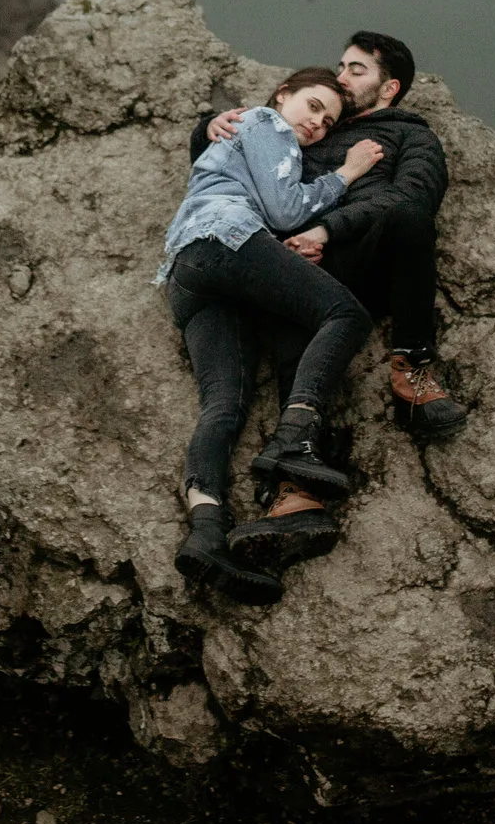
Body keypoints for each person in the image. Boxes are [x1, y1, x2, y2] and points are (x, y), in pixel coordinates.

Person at [193, 31, 463, 573]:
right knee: (301, 335)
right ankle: (294, 497)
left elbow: (412, 199)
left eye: (356, 70)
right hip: (286, 261)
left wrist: (328, 231)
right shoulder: (314, 126)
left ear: (389, 88)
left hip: (363, 252)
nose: (341, 76)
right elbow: (238, 164)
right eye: (341, 65)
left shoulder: (413, 138)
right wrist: (208, 127)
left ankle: (413, 368)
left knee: (407, 225)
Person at [159, 66, 385, 605]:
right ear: (283, 96)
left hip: (189, 275)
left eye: (328, 122)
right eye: (312, 106)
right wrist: (348, 173)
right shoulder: (263, 121)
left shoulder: (244, 133)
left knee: (224, 405)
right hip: (227, 237)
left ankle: (208, 528)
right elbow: (285, 209)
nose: (316, 125)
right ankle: (293, 436)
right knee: (345, 315)